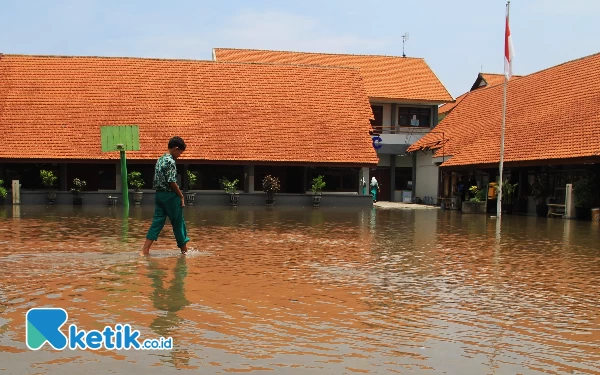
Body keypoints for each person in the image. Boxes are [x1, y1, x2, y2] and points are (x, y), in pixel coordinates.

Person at [140, 136, 190, 256]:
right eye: (180, 153)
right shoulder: (170, 161)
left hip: (159, 195)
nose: (179, 156)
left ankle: (144, 250)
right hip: (170, 196)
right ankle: (184, 251)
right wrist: (181, 195)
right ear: (176, 148)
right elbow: (172, 181)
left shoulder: (160, 159)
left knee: (157, 222)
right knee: (178, 222)